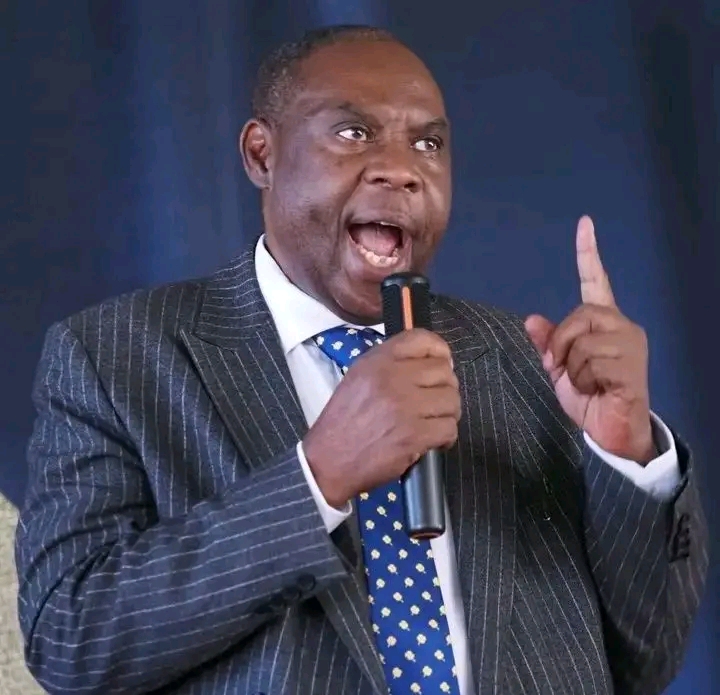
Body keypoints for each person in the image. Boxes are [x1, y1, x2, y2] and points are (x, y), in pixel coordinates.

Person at [15, 25, 707, 695]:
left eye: (428, 143)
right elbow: (71, 641)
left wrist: (628, 455)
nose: (401, 170)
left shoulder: (526, 362)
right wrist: (318, 476)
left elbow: (644, 660)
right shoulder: (114, 359)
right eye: (353, 133)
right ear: (261, 154)